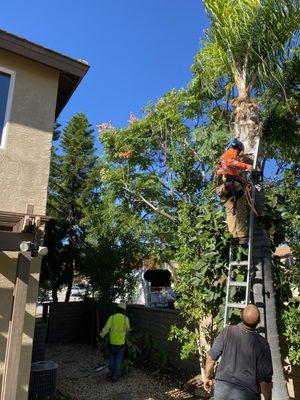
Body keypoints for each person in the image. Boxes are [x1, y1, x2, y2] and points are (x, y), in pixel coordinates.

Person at [204, 304, 273, 400]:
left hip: (222, 391)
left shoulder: (227, 331)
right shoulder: (262, 344)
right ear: (258, 322)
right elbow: (265, 380)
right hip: (246, 394)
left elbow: (211, 358)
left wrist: (207, 377)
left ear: (241, 316)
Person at [216, 138, 253, 245]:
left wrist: (245, 182)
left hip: (223, 188)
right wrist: (246, 166)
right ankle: (241, 236)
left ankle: (234, 236)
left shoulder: (223, 159)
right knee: (240, 209)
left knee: (231, 212)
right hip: (230, 186)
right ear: (238, 148)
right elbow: (231, 162)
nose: (238, 154)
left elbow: (234, 175)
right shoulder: (231, 153)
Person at [99, 303, 130, 383]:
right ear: (124, 311)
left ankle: (112, 372)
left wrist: (100, 336)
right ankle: (114, 377)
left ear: (117, 309)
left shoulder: (112, 318)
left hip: (112, 343)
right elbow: (128, 330)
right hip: (121, 343)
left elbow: (106, 328)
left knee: (112, 358)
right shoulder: (125, 319)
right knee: (118, 360)